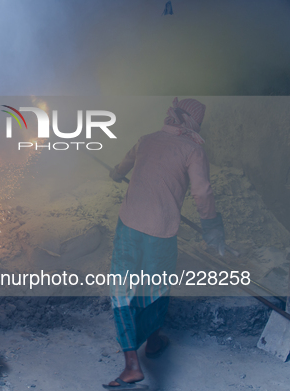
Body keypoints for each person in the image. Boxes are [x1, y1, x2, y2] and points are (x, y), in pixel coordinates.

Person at [103, 97, 226, 390]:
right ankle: (152, 342)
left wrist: (116, 173)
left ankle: (135, 361)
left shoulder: (146, 140)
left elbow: (125, 164)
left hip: (129, 225)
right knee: (156, 288)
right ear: (193, 124)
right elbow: (202, 193)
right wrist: (211, 226)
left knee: (123, 289)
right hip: (161, 231)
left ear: (171, 117)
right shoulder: (193, 150)